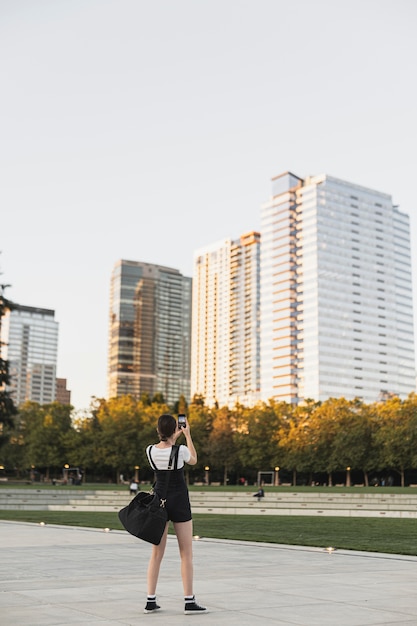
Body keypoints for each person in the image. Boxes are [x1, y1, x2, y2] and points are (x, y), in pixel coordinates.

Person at [144, 413, 207, 615]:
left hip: (159, 503)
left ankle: (150, 600)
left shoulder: (150, 451)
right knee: (186, 554)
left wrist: (173, 436)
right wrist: (187, 435)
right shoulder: (180, 451)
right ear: (175, 430)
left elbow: (165, 450)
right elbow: (194, 459)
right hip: (179, 502)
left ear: (157, 431)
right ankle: (189, 601)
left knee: (156, 554)